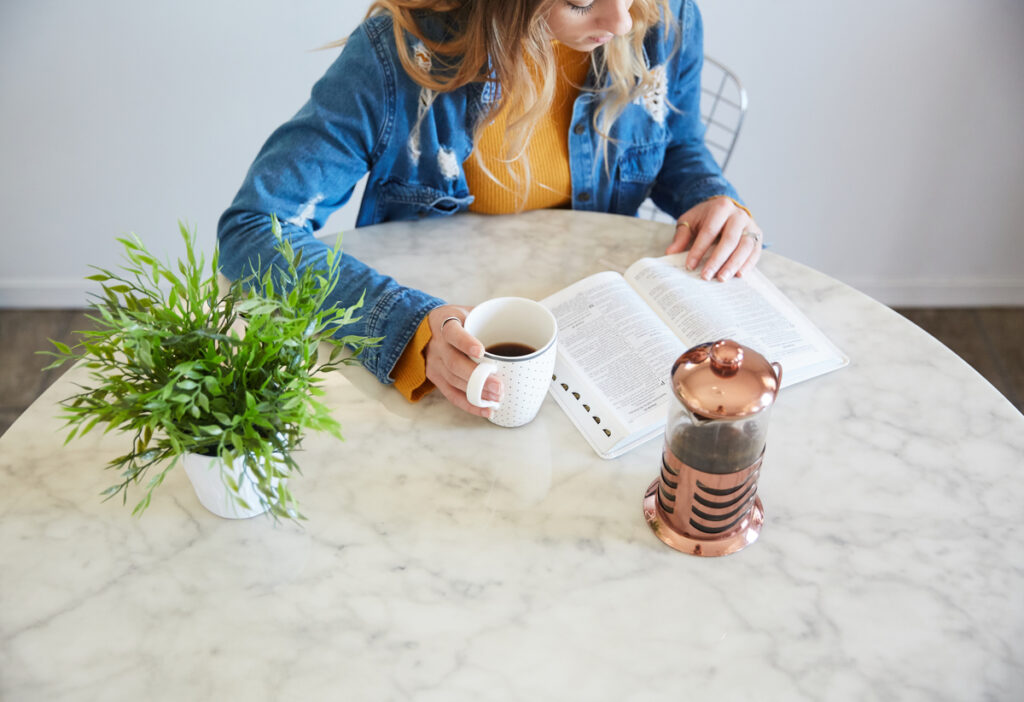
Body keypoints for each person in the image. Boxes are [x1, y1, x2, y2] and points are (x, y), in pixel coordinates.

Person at [218, 0, 763, 419]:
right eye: (579, 2)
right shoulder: (400, 54)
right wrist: (407, 329)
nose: (621, 22)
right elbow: (255, 229)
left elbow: (678, 143)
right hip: (451, 335)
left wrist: (711, 198)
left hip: (598, 330)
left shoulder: (664, 15)